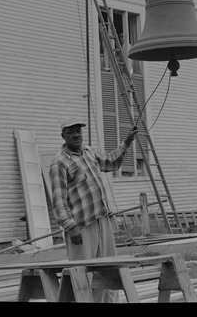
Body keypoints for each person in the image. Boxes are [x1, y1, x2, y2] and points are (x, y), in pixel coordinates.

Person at [49, 118, 138, 303]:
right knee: (83, 276)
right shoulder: (59, 162)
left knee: (109, 271)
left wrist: (127, 142)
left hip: (101, 219)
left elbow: (111, 162)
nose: (76, 135)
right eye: (71, 132)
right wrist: (70, 226)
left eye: (78, 131)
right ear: (63, 136)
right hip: (80, 228)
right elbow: (58, 200)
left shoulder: (89, 152)